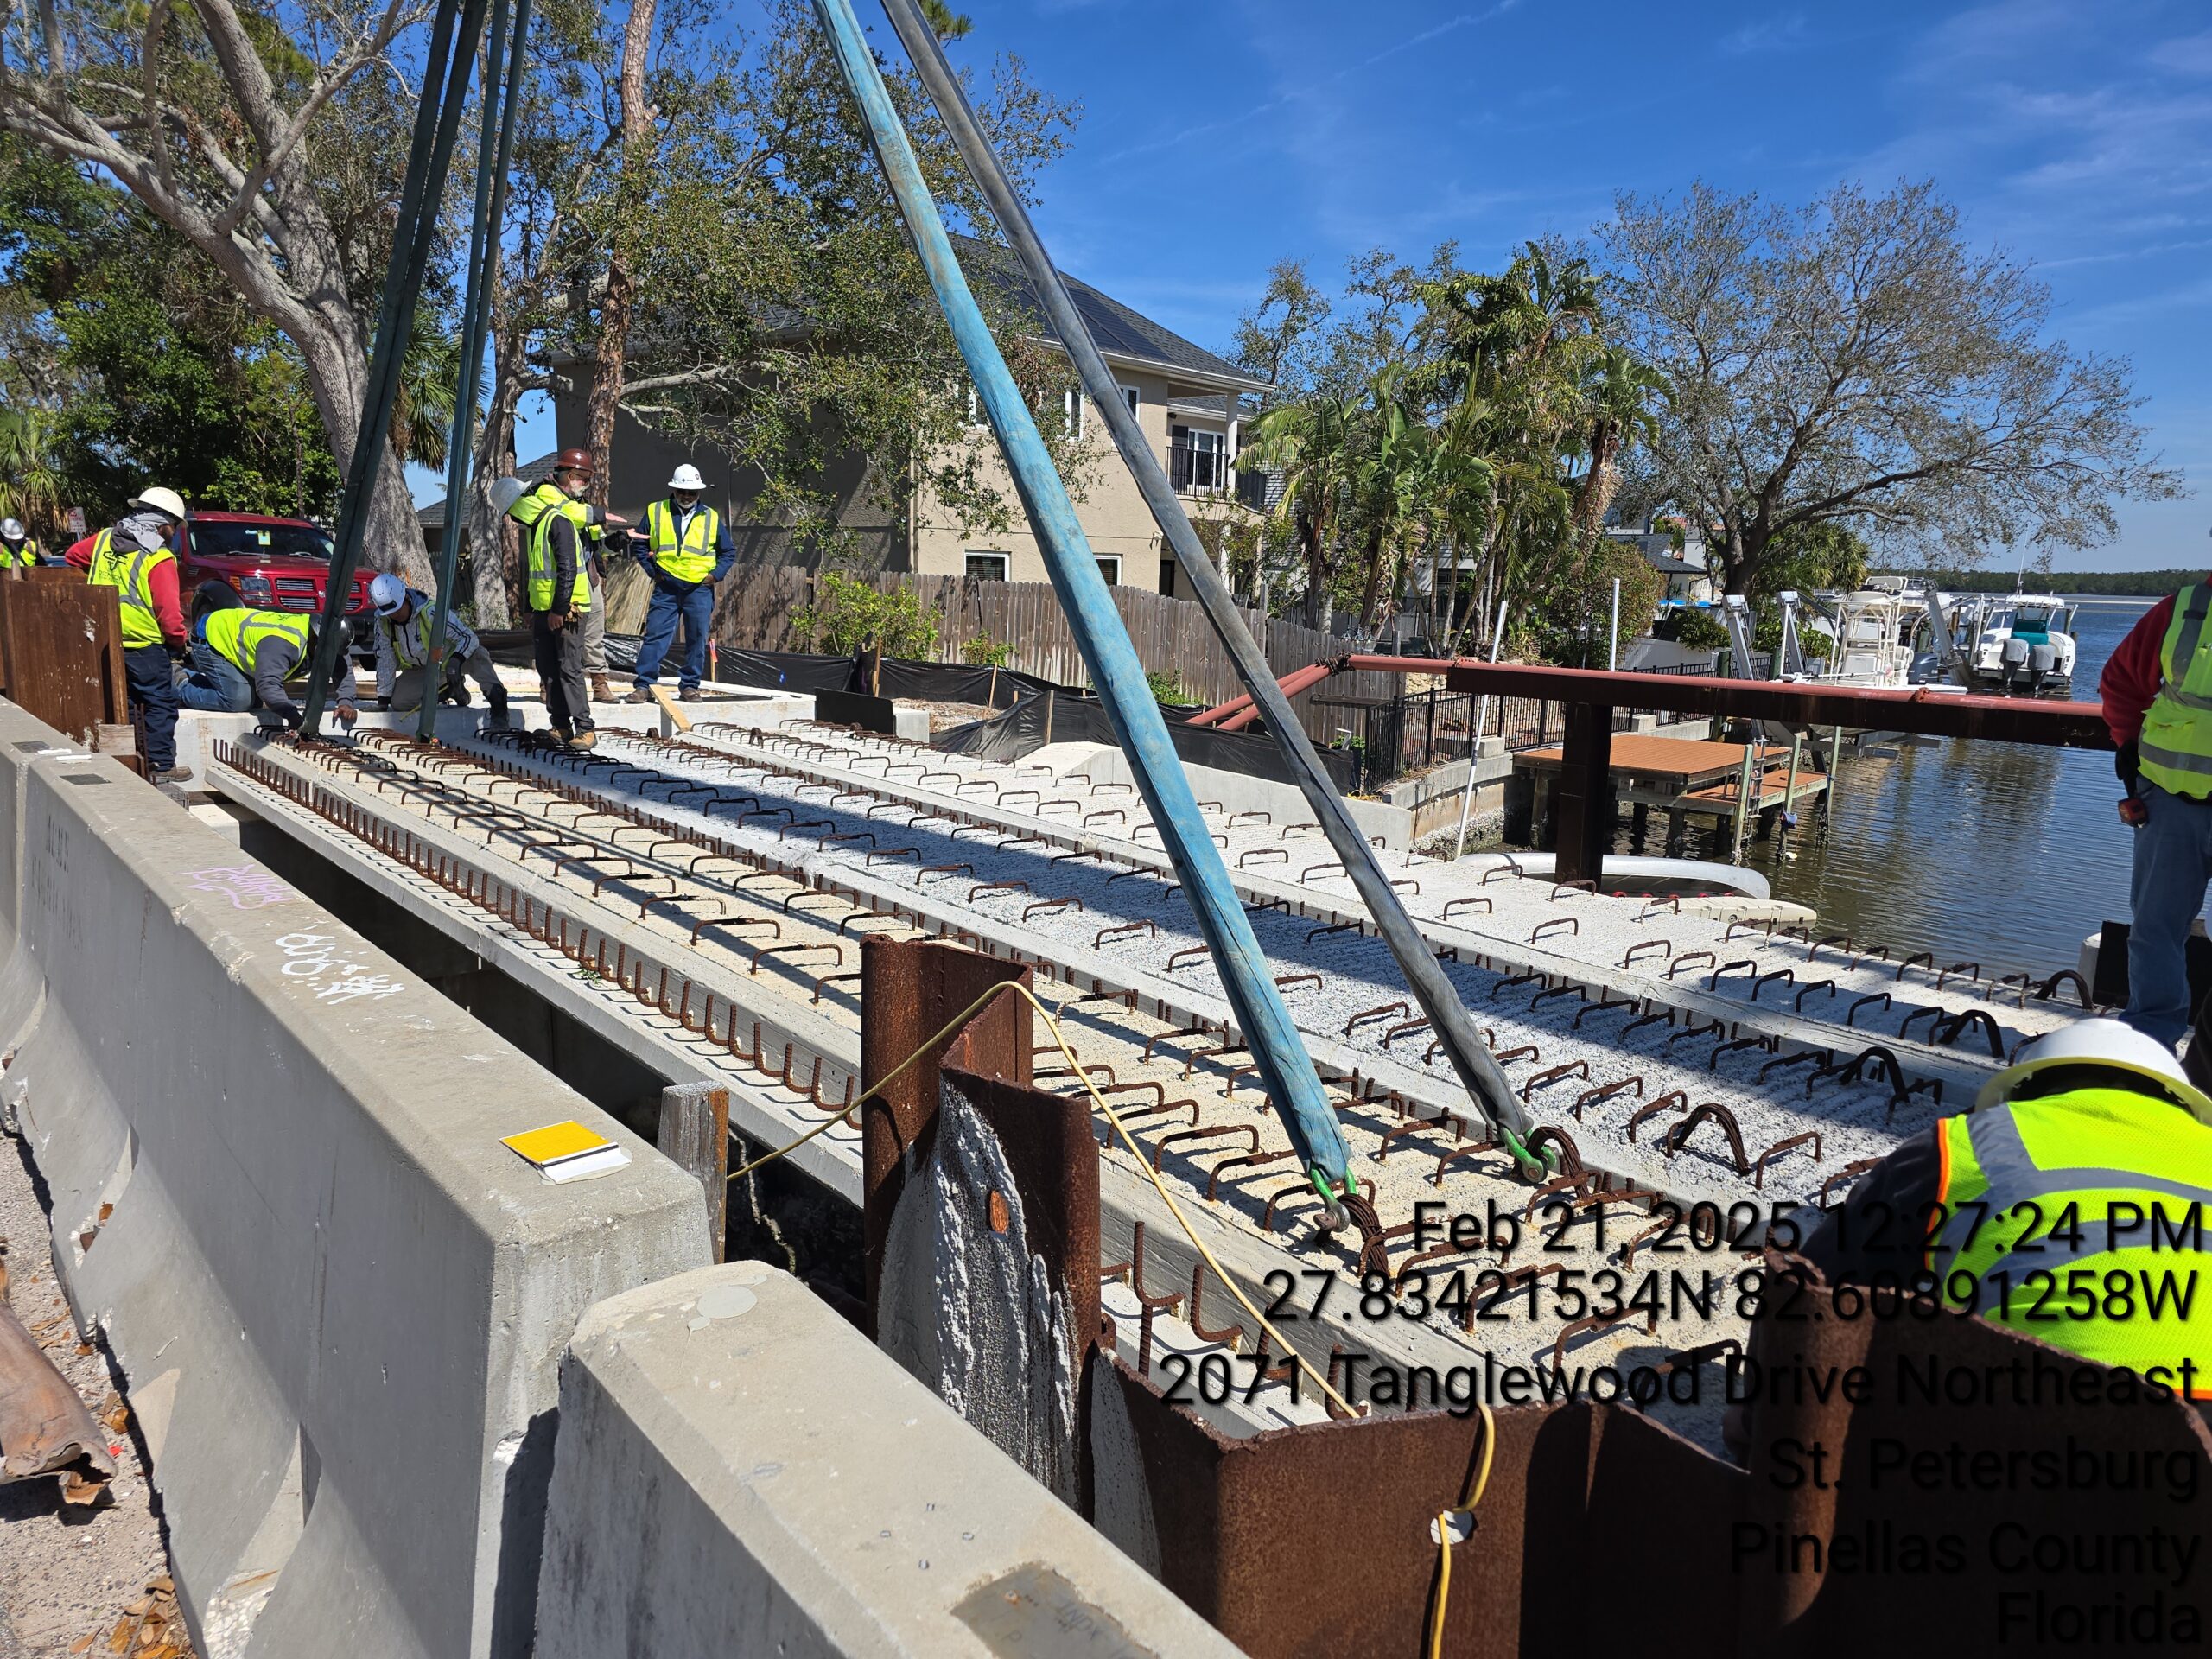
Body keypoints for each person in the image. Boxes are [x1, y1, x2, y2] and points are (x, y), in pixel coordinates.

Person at [1790, 1018, 2211, 1391]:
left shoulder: (1965, 1144)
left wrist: (1757, 1417)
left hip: (2039, 1428)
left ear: (2022, 1091)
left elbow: (1817, 1291)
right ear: (2179, 1104)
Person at [2101, 569, 2212, 1047]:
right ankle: (2148, 1048)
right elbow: (2121, 681)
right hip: (2168, 802)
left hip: (2167, 802)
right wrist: (2128, 745)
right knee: (2155, 932)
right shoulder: (2183, 609)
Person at [503, 450, 625, 748]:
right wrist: (531, 608)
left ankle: (585, 728)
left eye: (513, 509)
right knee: (549, 669)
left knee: (569, 667)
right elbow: (535, 571)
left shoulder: (557, 518)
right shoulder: (541, 523)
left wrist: (559, 609)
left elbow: (571, 565)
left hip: (567, 607)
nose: (512, 515)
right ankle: (560, 726)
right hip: (547, 608)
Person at [67, 488, 188, 783]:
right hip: (144, 642)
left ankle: (134, 756)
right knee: (160, 702)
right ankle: (160, 764)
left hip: (104, 639)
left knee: (129, 702)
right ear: (164, 525)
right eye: (173, 528)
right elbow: (169, 612)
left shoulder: (105, 539)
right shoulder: (158, 557)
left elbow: (72, 557)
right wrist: (178, 641)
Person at [626, 464, 734, 703]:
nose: (687, 497)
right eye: (682, 492)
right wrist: (652, 572)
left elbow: (728, 552)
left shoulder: (711, 517)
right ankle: (644, 686)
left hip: (699, 588)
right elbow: (640, 543)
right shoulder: (656, 511)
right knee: (655, 636)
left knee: (697, 637)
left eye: (692, 493)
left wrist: (715, 576)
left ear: (699, 493)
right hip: (667, 586)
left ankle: (689, 686)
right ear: (674, 490)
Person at [178, 601, 359, 729]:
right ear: (317, 642)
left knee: (254, 700)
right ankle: (180, 683)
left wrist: (346, 702)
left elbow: (343, 668)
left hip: (236, 637)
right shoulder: (284, 644)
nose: (332, 658)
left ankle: (210, 682)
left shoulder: (328, 635)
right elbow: (267, 685)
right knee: (238, 700)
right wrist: (291, 714)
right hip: (211, 638)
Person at [365, 572, 508, 724]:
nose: (395, 615)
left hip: (450, 662)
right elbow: (385, 658)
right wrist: (383, 700)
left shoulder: (431, 612)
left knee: (478, 654)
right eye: (390, 613)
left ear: (405, 597)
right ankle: (450, 689)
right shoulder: (382, 621)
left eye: (398, 610)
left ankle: (499, 708)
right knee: (399, 702)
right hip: (421, 670)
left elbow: (468, 637)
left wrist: (456, 660)